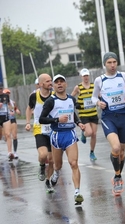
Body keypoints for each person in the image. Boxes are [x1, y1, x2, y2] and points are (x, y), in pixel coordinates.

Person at [91, 52, 125, 195]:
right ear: (105, 64)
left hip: (122, 117)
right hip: (108, 117)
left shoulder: (124, 76)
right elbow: (93, 97)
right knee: (115, 147)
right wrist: (98, 102)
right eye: (109, 62)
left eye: (114, 62)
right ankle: (117, 177)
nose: (112, 65)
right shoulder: (100, 80)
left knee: (121, 152)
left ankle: (117, 176)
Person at [39, 74, 85, 203]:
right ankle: (56, 174)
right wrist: (56, 119)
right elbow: (42, 119)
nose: (59, 84)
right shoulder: (50, 101)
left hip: (70, 134)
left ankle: (77, 193)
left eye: (62, 82)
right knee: (57, 165)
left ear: (66, 84)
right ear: (53, 86)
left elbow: (72, 113)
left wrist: (79, 122)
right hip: (57, 136)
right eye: (56, 82)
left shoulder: (71, 99)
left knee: (74, 163)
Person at [25, 73, 54, 185]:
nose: (50, 83)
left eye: (51, 80)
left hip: (52, 128)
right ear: (41, 84)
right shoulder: (34, 96)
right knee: (43, 155)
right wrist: (28, 122)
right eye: (47, 81)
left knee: (51, 160)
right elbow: (29, 108)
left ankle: (48, 181)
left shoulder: (54, 95)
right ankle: (42, 166)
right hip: (39, 128)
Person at [71, 68, 98, 161]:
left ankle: (92, 152)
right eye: (84, 76)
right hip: (84, 114)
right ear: (81, 77)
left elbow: (99, 95)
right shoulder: (78, 87)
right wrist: (75, 103)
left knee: (94, 134)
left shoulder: (93, 86)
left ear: (89, 76)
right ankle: (84, 134)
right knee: (89, 132)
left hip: (93, 113)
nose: (86, 77)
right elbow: (71, 97)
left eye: (87, 75)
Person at [4, 89, 21, 159]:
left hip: (12, 119)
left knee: (14, 136)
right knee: (7, 136)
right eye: (6, 93)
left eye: (8, 93)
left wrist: (17, 111)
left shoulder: (12, 102)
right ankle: (9, 151)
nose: (7, 95)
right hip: (5, 120)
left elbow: (16, 109)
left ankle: (15, 152)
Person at [0, 85, 14, 161]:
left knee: (8, 134)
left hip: (5, 117)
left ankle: (9, 152)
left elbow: (9, 104)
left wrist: (11, 110)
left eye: (1, 89)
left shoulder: (5, 95)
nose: (0, 90)